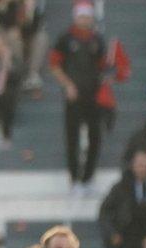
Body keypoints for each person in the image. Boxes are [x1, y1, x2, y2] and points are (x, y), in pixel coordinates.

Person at [50, 2, 106, 194]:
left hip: (93, 96)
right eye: (82, 16)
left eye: (87, 16)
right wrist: (67, 85)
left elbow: (102, 66)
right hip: (73, 96)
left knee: (95, 137)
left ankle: (88, 177)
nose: (85, 20)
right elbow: (55, 65)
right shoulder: (65, 39)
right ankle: (74, 178)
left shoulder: (97, 40)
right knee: (72, 138)